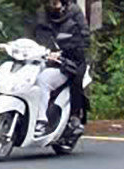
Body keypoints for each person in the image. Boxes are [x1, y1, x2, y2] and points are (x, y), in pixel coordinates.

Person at [29, 0, 88, 132]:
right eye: (50, 3)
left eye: (55, 3)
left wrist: (65, 51)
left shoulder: (74, 12)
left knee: (43, 80)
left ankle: (46, 120)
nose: (52, 6)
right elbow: (34, 35)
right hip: (45, 59)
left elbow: (84, 37)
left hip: (71, 61)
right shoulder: (42, 14)